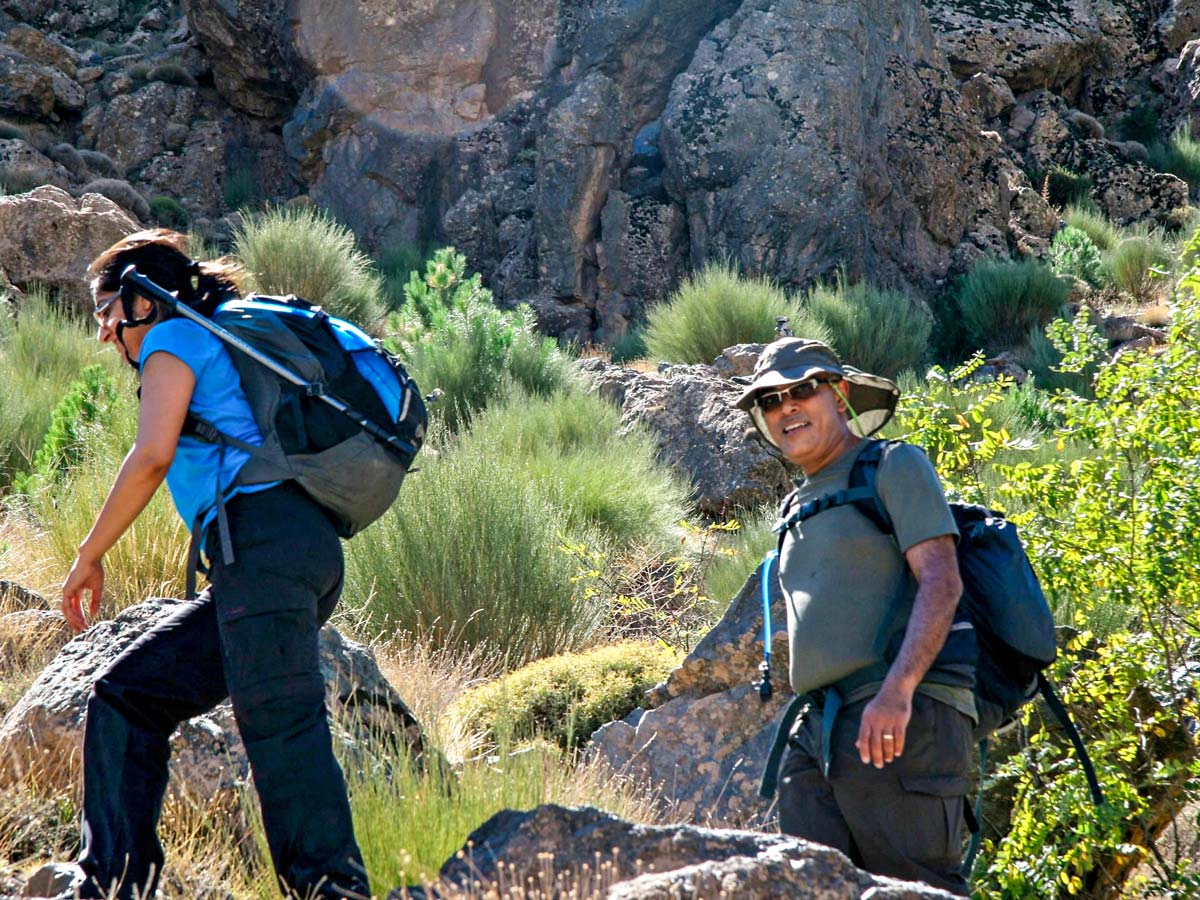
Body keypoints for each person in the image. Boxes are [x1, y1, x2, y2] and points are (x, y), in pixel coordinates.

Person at [57, 229, 371, 900]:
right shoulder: (213, 340)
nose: (105, 334)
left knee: (280, 723)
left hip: (264, 548)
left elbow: (151, 458)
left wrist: (89, 555)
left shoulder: (174, 339)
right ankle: (112, 882)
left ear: (141, 300)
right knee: (127, 697)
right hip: (289, 552)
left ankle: (331, 887)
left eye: (106, 311)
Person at [736, 338, 975, 895]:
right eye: (771, 400)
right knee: (812, 888)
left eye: (802, 390)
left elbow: (941, 580)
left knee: (915, 888)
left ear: (839, 394)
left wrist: (898, 691)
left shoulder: (893, 465)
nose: (786, 407)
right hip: (817, 729)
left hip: (899, 716)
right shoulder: (794, 506)